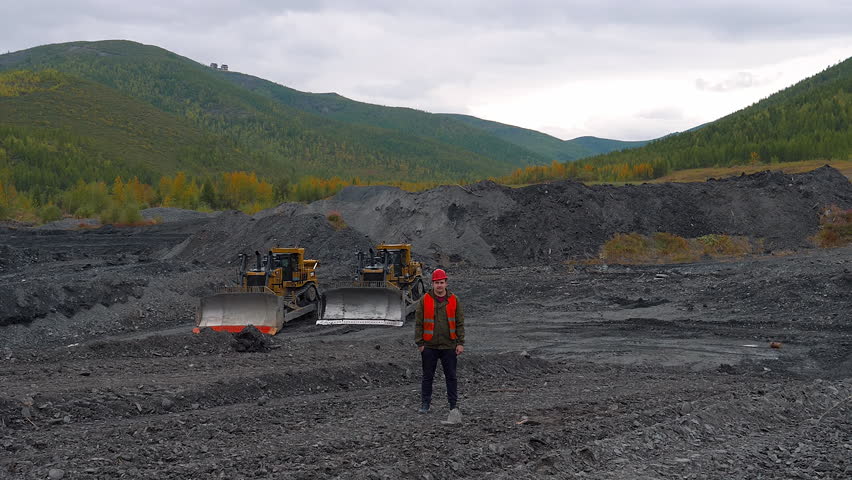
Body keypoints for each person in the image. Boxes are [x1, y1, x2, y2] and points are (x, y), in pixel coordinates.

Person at [415, 268, 465, 414]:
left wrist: (460, 343)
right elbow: (418, 323)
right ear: (433, 284)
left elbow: (459, 322)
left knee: (451, 376)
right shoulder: (425, 300)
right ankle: (425, 403)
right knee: (427, 377)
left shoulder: (454, 300)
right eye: (436, 283)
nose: (439, 286)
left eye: (441, 282)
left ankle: (453, 404)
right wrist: (420, 343)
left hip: (449, 345)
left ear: (446, 283)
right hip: (429, 346)